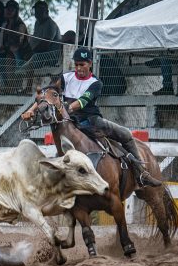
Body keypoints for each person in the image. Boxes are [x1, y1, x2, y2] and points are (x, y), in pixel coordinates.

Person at [21, 46, 162, 188]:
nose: (78, 68)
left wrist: (65, 109)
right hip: (69, 120)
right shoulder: (66, 77)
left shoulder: (96, 83)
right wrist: (31, 110)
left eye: (82, 64)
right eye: (76, 64)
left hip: (91, 120)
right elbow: (47, 94)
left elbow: (82, 102)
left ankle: (142, 173)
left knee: (125, 134)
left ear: (89, 64)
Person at [16, 1, 62, 94]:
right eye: (36, 10)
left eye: (41, 10)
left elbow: (46, 44)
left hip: (51, 56)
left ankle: (28, 88)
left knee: (29, 62)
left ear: (47, 12)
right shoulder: (37, 23)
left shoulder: (50, 24)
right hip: (40, 54)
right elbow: (36, 41)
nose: (38, 13)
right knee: (18, 57)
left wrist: (32, 53)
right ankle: (16, 87)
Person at [0, 0, 28, 94]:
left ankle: (11, 87)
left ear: (16, 11)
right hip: (8, 52)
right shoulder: (6, 25)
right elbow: (3, 44)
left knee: (8, 58)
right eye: (7, 9)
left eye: (11, 9)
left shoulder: (20, 25)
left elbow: (19, 44)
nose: (8, 12)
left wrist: (8, 48)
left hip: (21, 54)